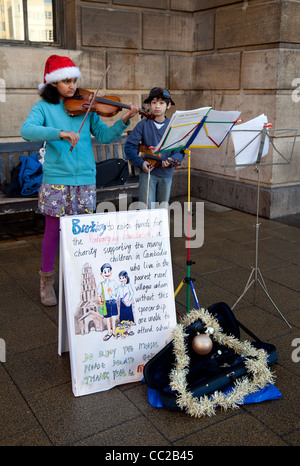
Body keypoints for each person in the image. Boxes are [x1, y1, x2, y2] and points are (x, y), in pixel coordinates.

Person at [21, 55, 139, 307]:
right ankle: (46, 280)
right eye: (66, 81)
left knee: (81, 233)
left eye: (74, 80)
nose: (72, 86)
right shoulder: (43, 108)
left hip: (85, 178)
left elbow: (106, 137)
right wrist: (59, 133)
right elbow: (26, 130)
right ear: (53, 83)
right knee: (53, 230)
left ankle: (77, 279)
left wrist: (124, 120)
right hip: (56, 179)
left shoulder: (88, 107)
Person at [124, 87, 184, 208]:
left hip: (166, 173)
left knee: (162, 208)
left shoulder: (173, 127)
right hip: (148, 172)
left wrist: (173, 160)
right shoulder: (143, 125)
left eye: (161, 103)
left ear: (168, 105)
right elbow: (129, 147)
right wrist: (141, 163)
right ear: (150, 105)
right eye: (154, 102)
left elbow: (180, 151)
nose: (157, 106)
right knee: (146, 207)